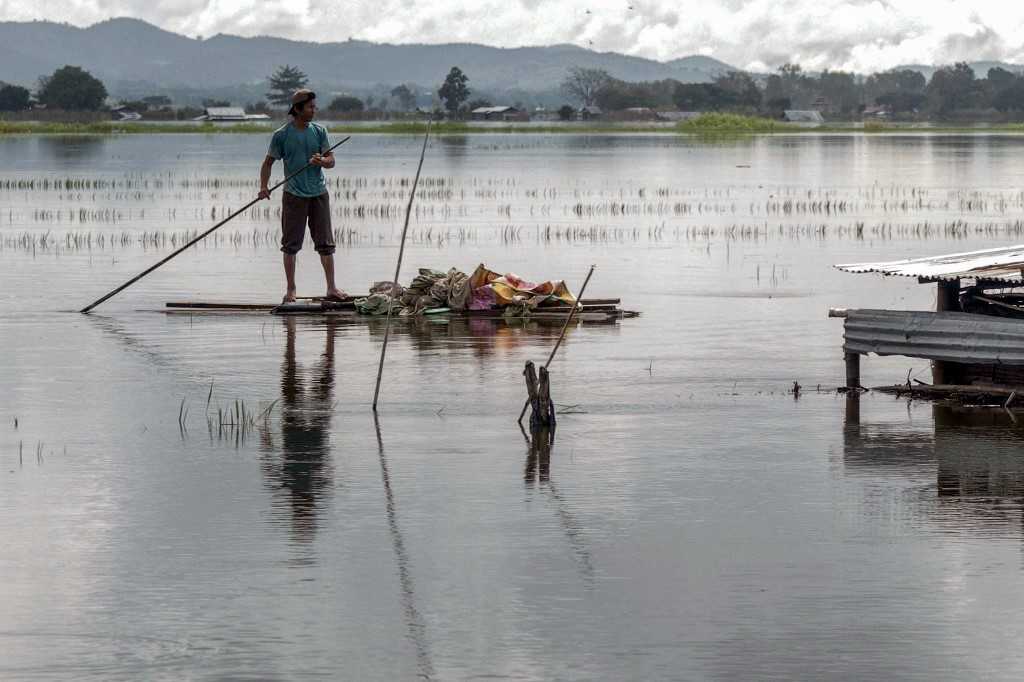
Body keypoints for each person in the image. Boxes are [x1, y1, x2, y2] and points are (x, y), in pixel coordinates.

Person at [258, 89, 347, 303]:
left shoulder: (319, 131)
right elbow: (268, 162)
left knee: (325, 243)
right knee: (290, 244)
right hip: (294, 196)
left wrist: (322, 162)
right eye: (310, 107)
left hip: (318, 194)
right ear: (297, 109)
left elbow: (331, 161)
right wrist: (264, 186)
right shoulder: (282, 135)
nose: (314, 110)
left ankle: (332, 288)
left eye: (315, 107)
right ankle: (291, 290)